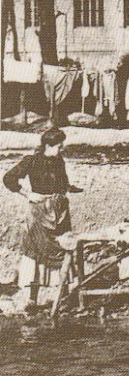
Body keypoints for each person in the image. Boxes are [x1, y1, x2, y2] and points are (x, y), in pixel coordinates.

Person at [3, 127, 82, 309]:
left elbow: (61, 181)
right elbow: (9, 179)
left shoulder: (58, 160)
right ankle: (32, 297)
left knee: (63, 248)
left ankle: (62, 294)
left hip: (60, 212)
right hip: (39, 212)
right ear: (48, 145)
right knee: (36, 251)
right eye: (59, 147)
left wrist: (69, 188)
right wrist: (27, 194)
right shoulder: (31, 161)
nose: (61, 150)